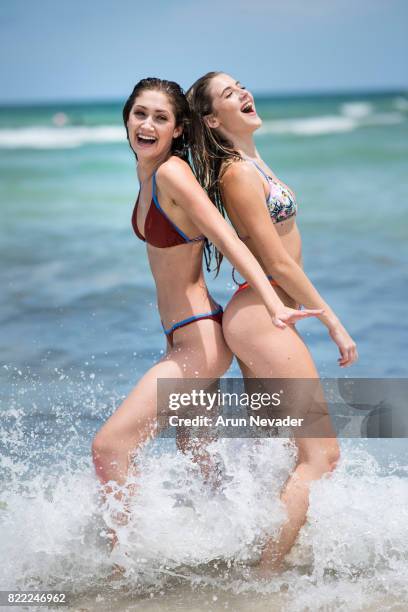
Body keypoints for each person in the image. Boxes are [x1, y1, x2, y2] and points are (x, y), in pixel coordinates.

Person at [91, 78, 320, 564]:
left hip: (198, 346)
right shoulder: (149, 172)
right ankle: (248, 561)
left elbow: (230, 240)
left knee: (110, 448)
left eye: (160, 117)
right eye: (139, 113)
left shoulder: (173, 173)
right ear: (126, 118)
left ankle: (119, 573)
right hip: (190, 336)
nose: (147, 124)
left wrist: (273, 302)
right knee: (207, 472)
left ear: (178, 130)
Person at [187, 72, 358, 573]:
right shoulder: (237, 172)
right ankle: (266, 576)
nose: (244, 93)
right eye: (228, 93)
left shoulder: (251, 161)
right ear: (213, 119)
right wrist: (334, 322)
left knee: (279, 452)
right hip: (263, 318)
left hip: (265, 318)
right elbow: (277, 263)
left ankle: (246, 558)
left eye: (241, 85)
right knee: (321, 457)